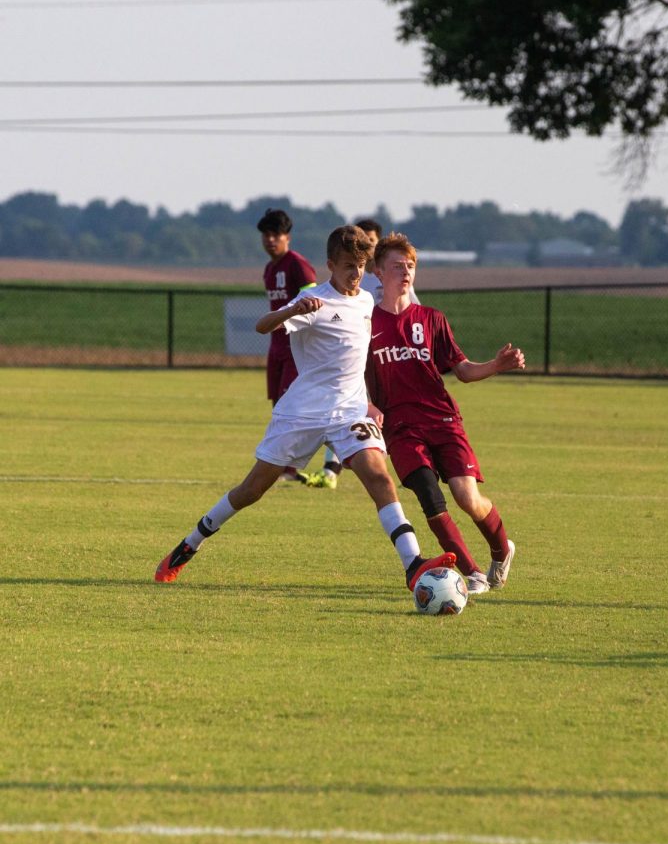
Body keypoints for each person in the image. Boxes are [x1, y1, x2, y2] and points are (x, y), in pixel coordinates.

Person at [154, 225, 456, 593]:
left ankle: (412, 564)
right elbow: (262, 325)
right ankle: (190, 544)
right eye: (347, 266)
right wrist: (295, 308)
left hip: (350, 411)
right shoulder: (314, 301)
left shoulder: (365, 301)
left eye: (360, 265)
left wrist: (374, 400)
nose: (355, 273)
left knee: (380, 477)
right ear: (330, 264)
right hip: (302, 413)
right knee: (252, 489)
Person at [365, 232, 525, 594]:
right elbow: (354, 374)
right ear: (377, 271)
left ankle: (501, 550)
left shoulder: (432, 319)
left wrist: (497, 366)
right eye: (396, 266)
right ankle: (471, 573)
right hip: (402, 427)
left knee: (466, 497)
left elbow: (463, 370)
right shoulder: (367, 323)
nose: (405, 272)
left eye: (410, 266)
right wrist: (369, 404)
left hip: (442, 419)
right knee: (428, 494)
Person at [304, 217, 416, 490]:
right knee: (347, 409)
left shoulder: (390, 278)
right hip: (359, 355)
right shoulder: (356, 280)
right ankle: (332, 469)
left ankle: (408, 463)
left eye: (370, 243)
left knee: (391, 412)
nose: (361, 259)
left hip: (387, 355)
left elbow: (410, 312)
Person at [257, 208, 318, 483]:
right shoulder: (270, 269)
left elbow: (315, 303)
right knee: (277, 404)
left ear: (287, 237)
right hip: (275, 348)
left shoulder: (298, 265)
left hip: (296, 349)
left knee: (291, 406)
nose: (270, 240)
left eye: (275, 234)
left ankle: (290, 469)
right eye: (266, 235)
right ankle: (280, 464)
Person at [356, 217, 420, 306]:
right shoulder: (354, 277)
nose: (367, 244)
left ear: (378, 242)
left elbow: (414, 308)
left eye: (371, 240)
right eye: (363, 240)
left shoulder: (393, 275)